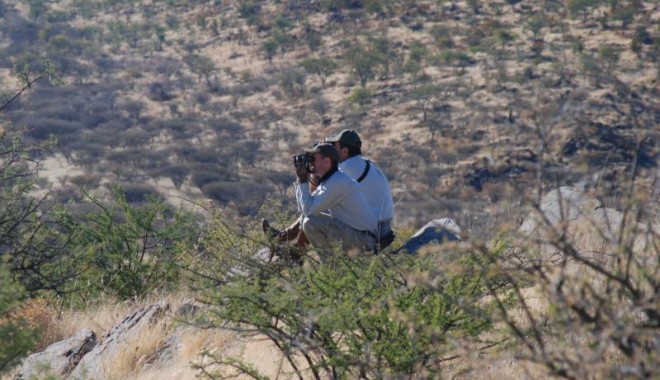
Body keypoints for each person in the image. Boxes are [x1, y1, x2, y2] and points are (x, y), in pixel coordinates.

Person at [262, 129, 396, 251]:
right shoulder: (361, 163)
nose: (331, 148)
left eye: (333, 146)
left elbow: (313, 200)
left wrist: (313, 168)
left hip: (373, 230)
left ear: (344, 151)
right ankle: (288, 243)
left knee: (313, 217)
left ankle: (292, 247)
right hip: (375, 224)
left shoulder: (347, 169)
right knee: (314, 213)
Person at [291, 143, 378, 253]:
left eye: (313, 158)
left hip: (364, 240)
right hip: (357, 236)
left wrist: (303, 181)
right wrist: (301, 180)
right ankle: (329, 263)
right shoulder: (330, 180)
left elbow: (308, 210)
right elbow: (304, 210)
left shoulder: (338, 181)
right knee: (306, 219)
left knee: (310, 223)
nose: (310, 162)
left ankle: (330, 266)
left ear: (326, 162)